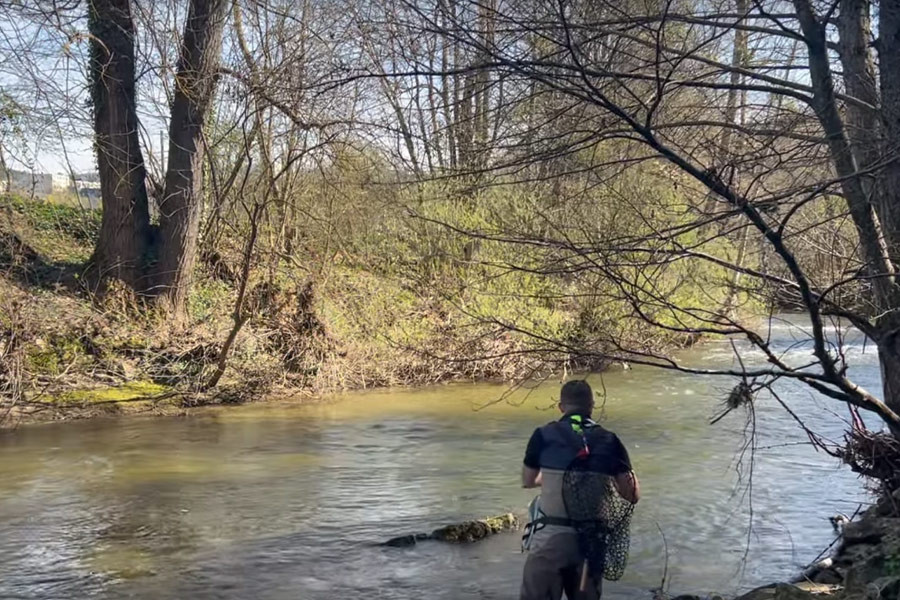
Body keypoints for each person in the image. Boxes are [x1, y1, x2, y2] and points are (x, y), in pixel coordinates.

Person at [520, 380, 640, 600]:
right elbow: (632, 494)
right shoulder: (609, 439)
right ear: (591, 406)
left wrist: (558, 475)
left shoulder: (543, 435)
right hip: (589, 544)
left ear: (560, 407)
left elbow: (528, 480)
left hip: (550, 540)